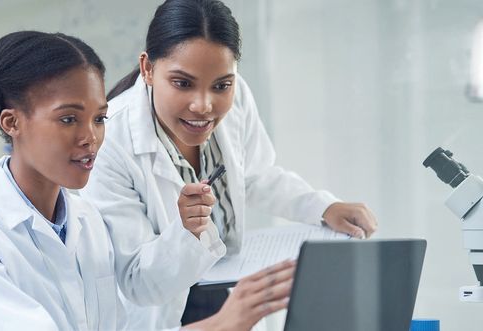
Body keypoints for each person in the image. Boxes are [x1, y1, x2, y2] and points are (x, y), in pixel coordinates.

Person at [0, 30, 295, 331]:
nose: (91, 138)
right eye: (69, 119)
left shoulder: (87, 223)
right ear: (11, 122)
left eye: (99, 119)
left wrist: (188, 231)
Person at [79, 0, 379, 329]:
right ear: (148, 68)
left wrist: (323, 207)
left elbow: (256, 175)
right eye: (183, 83)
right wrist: (187, 232)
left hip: (227, 291)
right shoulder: (109, 140)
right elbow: (137, 280)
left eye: (221, 85)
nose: (204, 105)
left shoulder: (237, 97)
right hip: (163, 310)